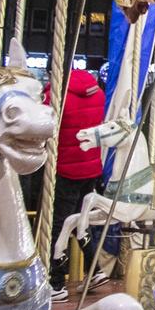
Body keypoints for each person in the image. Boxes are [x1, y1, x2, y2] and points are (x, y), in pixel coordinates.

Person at [45, 60, 107, 288]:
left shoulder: (56, 96)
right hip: (90, 167)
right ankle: (94, 270)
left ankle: (56, 282)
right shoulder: (97, 93)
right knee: (80, 222)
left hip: (67, 168)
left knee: (58, 225)